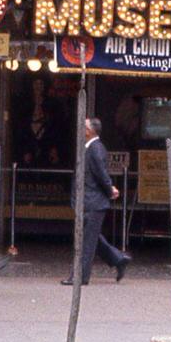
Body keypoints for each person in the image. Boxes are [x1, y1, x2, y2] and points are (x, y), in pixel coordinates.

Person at [62, 117, 130, 286]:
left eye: (83, 126)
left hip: (93, 202)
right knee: (91, 238)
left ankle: (79, 277)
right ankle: (119, 259)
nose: (81, 129)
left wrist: (110, 189)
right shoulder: (90, 148)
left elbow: (100, 173)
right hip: (89, 201)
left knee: (85, 242)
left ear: (90, 130)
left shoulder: (96, 148)